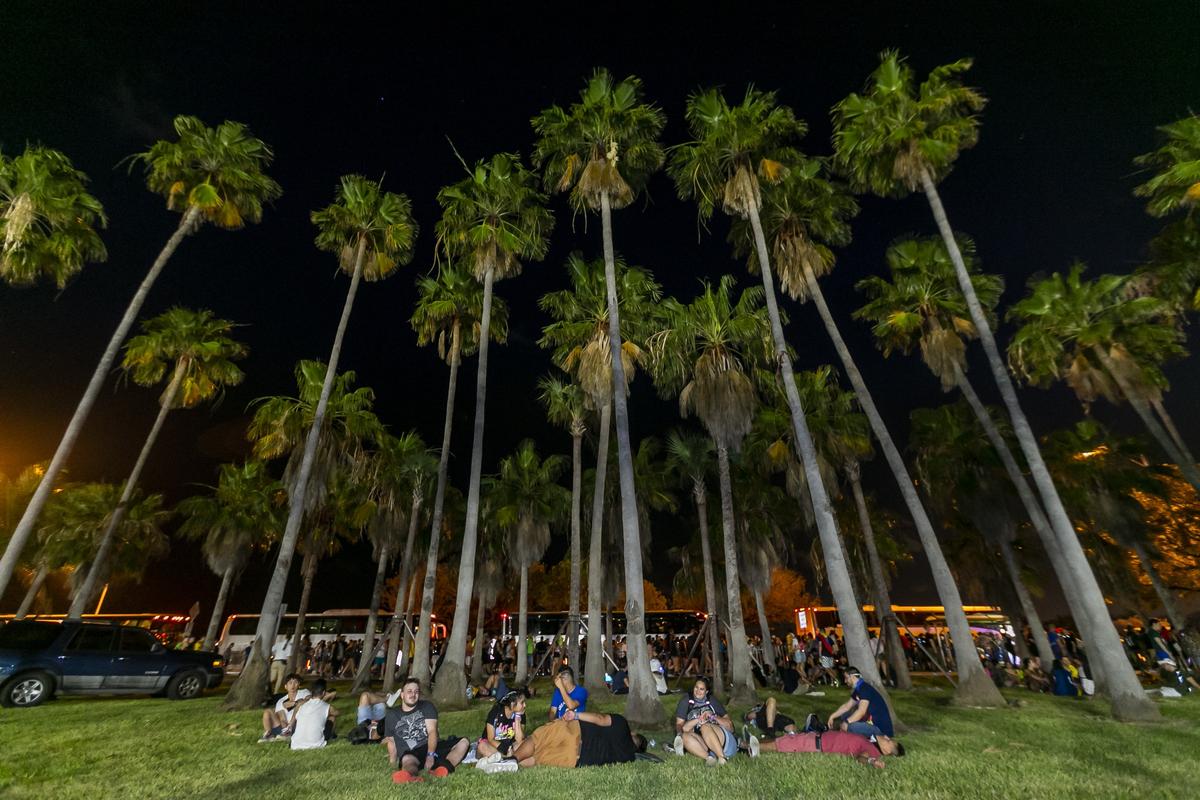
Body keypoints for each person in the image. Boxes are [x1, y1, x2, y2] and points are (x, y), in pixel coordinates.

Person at [383, 677, 469, 783]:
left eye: (416, 692)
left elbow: (432, 731)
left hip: (431, 747)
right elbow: (391, 741)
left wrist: (430, 755)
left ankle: (442, 769)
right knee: (408, 760)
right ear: (402, 695)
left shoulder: (427, 706)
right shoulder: (392, 715)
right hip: (411, 752)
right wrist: (392, 762)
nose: (413, 694)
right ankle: (410, 776)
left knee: (464, 742)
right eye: (409, 691)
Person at [515, 709, 645, 768]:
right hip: (573, 758)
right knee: (538, 759)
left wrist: (575, 715)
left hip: (575, 732)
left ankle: (510, 760)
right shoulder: (628, 757)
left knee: (538, 739)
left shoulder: (622, 724)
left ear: (634, 734)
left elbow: (600, 719)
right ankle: (506, 763)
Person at [743, 728, 903, 768]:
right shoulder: (871, 740)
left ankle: (750, 747)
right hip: (817, 737)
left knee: (785, 744)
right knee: (787, 739)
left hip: (816, 744)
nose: (887, 738)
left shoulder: (873, 750)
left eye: (890, 741)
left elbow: (861, 757)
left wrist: (872, 761)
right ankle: (749, 745)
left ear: (888, 751)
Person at [671, 677, 737, 766]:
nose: (698, 691)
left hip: (724, 742)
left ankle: (722, 758)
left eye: (701, 689)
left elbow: (730, 727)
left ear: (706, 692)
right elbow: (682, 726)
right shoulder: (686, 701)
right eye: (696, 687)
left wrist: (712, 716)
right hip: (704, 744)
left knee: (705, 727)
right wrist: (698, 719)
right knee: (685, 736)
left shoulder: (712, 701)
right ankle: (709, 758)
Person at [826, 666, 894, 738]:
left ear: (852, 676)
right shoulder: (859, 688)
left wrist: (846, 723)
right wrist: (832, 716)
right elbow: (847, 706)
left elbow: (861, 712)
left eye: (846, 678)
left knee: (850, 726)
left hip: (880, 729)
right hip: (871, 722)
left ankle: (851, 738)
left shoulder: (864, 689)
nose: (845, 681)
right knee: (845, 715)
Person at [476, 689, 526, 762]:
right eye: (522, 703)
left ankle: (500, 759)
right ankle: (508, 758)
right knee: (482, 746)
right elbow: (490, 739)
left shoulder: (521, 714)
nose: (524, 705)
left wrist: (517, 718)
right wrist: (505, 750)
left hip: (511, 746)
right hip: (494, 745)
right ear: (512, 704)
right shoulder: (495, 713)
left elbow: (519, 739)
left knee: (526, 743)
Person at [290, 679, 339, 750]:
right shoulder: (327, 706)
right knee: (332, 717)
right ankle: (332, 736)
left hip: (295, 744)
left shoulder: (302, 705)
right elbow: (337, 713)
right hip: (316, 744)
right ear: (324, 693)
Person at [260, 673, 310, 742]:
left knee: (300, 704)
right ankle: (268, 734)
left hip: (298, 725)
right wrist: (284, 726)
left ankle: (288, 731)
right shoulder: (281, 701)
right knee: (267, 711)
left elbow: (309, 700)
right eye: (290, 683)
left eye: (295, 682)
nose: (293, 685)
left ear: (298, 685)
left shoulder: (304, 692)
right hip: (283, 728)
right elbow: (281, 716)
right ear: (286, 686)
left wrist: (294, 703)